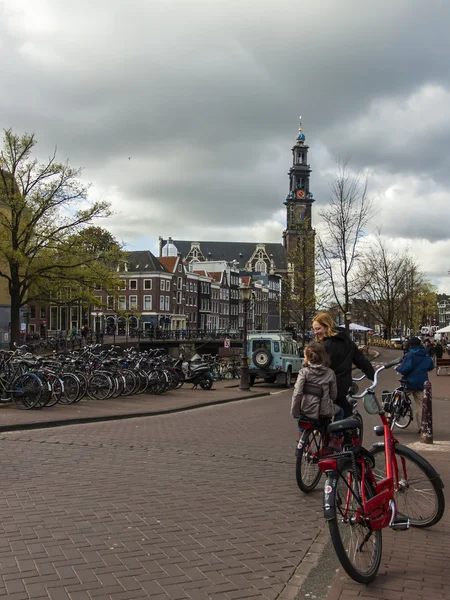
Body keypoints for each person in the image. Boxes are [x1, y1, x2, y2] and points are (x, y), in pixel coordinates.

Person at [312, 313, 375, 417]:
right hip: (343, 388)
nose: (316, 332)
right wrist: (372, 375)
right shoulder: (347, 343)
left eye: (318, 329)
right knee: (344, 417)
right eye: (314, 329)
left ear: (327, 326)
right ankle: (339, 432)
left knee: (321, 416)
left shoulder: (320, 347)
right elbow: (361, 361)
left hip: (323, 387)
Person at [396, 336, 434, 433]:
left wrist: (398, 368)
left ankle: (390, 419)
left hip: (408, 383)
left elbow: (404, 370)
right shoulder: (425, 354)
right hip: (422, 384)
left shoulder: (410, 355)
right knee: (421, 406)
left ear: (410, 345)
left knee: (396, 396)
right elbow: (431, 366)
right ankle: (422, 427)